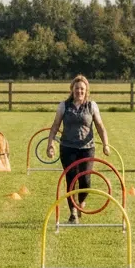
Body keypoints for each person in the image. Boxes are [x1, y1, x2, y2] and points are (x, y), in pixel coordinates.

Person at [46, 74, 110, 223]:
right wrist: (50, 144)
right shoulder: (64, 106)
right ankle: (73, 212)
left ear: (86, 90)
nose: (79, 91)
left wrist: (106, 144)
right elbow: (55, 126)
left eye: (82, 89)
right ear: (72, 90)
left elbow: (100, 126)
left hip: (87, 148)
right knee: (71, 180)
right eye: (76, 88)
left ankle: (81, 202)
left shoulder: (92, 106)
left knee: (85, 180)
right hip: (67, 147)